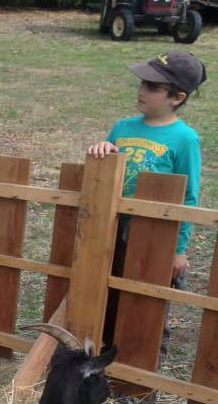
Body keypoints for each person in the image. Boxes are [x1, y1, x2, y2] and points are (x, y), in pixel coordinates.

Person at [87, 49, 206, 376]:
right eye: (142, 83)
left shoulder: (185, 139)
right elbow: (104, 168)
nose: (142, 90)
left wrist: (178, 249)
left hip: (154, 236)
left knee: (146, 304)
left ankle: (141, 378)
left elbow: (189, 197)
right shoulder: (123, 127)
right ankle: (101, 368)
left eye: (153, 87)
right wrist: (102, 150)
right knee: (107, 296)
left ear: (177, 98)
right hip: (113, 229)